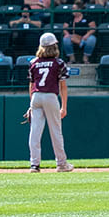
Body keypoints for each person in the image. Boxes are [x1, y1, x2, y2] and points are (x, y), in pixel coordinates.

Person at [24, 33, 72, 172]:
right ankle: (61, 164)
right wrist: (64, 106)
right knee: (56, 131)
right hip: (50, 96)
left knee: (35, 132)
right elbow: (63, 86)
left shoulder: (33, 62)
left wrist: (31, 104)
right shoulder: (59, 62)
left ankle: (34, 164)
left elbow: (31, 85)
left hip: (36, 96)